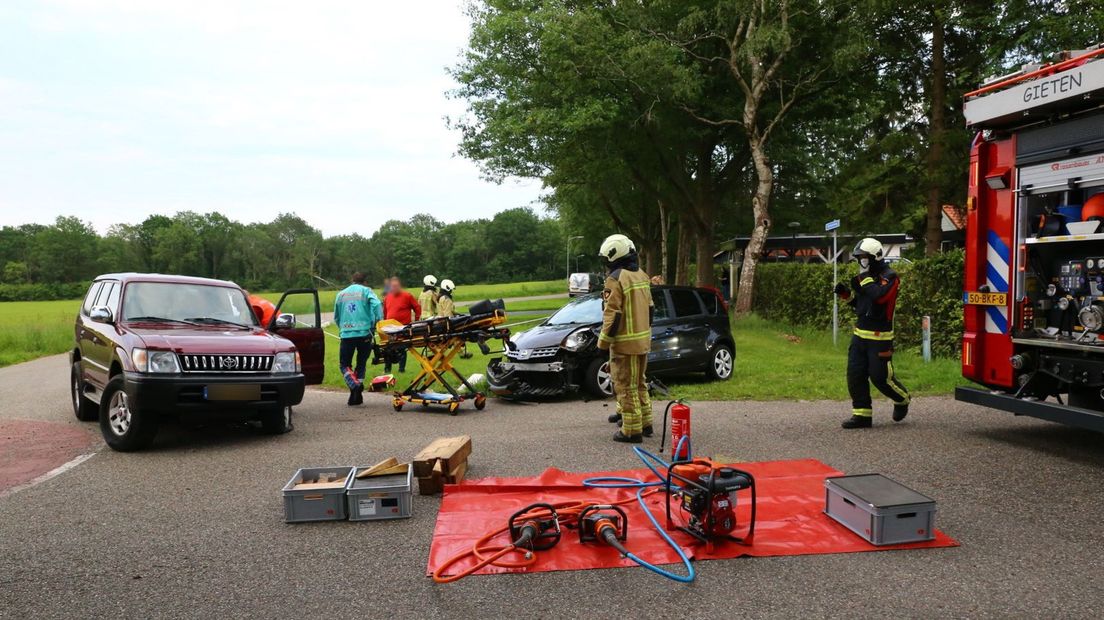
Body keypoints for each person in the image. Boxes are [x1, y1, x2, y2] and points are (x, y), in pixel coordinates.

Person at [834, 238, 911, 429]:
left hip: (880, 338)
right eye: (859, 258)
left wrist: (864, 279)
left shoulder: (890, 277)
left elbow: (880, 297)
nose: (861, 261)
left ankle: (902, 399)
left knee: (880, 377)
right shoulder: (865, 278)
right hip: (860, 336)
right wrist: (846, 295)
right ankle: (862, 416)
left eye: (864, 257)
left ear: (875, 256)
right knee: (855, 375)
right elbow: (861, 306)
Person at [596, 234, 654, 443]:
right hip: (642, 341)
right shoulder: (641, 274)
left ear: (613, 255)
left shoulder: (616, 278)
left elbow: (613, 314)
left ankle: (631, 430)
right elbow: (651, 309)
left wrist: (602, 343)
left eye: (606, 260)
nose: (605, 265)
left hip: (624, 344)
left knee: (625, 385)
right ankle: (646, 423)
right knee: (639, 383)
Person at [333, 272, 382, 406]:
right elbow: (377, 305)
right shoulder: (366, 291)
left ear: (352, 280)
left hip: (347, 334)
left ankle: (354, 389)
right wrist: (379, 321)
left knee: (345, 365)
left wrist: (343, 327)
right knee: (361, 364)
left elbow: (336, 317)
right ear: (365, 282)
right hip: (365, 333)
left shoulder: (341, 294)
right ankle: (357, 390)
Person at [382, 276, 421, 373]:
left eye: (396, 286)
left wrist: (415, 321)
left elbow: (417, 308)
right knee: (388, 348)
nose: (394, 288)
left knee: (402, 348)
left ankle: (401, 369)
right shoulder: (387, 297)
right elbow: (385, 312)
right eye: (392, 286)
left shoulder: (407, 296)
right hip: (390, 329)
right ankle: (387, 369)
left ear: (399, 286)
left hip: (403, 327)